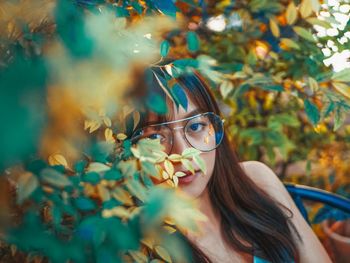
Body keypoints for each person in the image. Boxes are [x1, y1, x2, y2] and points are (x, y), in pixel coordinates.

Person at [127, 62, 332, 263]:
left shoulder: (256, 178)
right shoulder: (141, 249)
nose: (185, 154)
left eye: (196, 126)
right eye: (154, 138)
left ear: (214, 127)